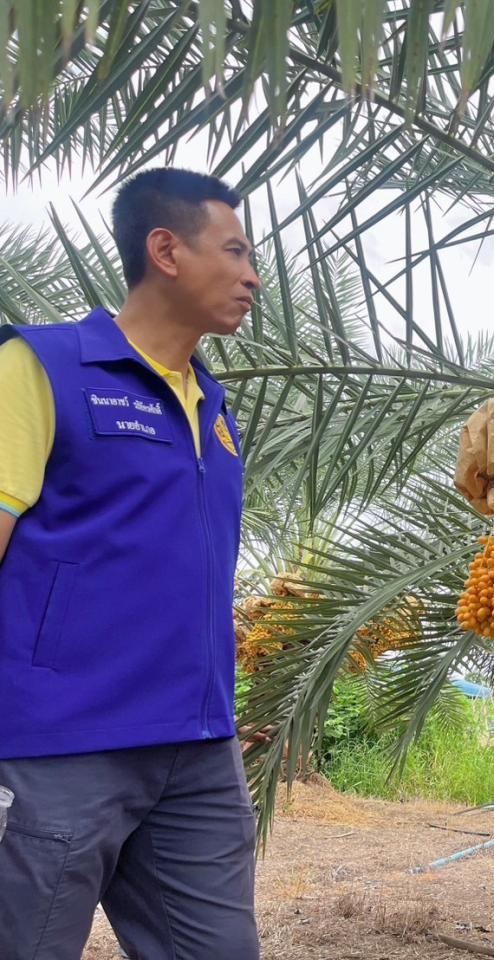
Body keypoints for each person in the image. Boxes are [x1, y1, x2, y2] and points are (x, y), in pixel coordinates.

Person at [0, 168, 261, 959]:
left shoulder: (213, 409)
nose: (253, 276)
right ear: (166, 251)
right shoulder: (43, 368)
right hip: (61, 744)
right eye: (236, 251)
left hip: (198, 748)